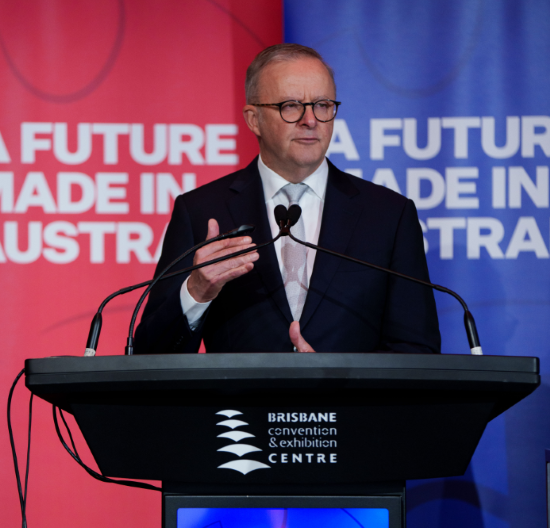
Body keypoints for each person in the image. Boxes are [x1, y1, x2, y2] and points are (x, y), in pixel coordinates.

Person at [134, 44, 440, 355]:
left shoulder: (388, 215)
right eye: (291, 105)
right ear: (254, 120)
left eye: (322, 105)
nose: (310, 120)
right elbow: (149, 357)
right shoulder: (201, 211)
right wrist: (197, 291)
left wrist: (343, 379)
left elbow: (417, 351)